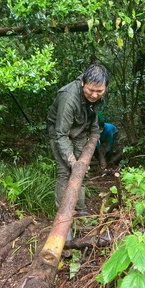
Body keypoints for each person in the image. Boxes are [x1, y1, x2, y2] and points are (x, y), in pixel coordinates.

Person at [47, 62, 109, 216]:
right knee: (65, 173)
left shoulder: (97, 93)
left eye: (99, 91)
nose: (95, 95)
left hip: (80, 131)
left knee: (82, 172)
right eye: (91, 90)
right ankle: (63, 216)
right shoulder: (69, 98)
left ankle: (80, 210)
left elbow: (92, 114)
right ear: (83, 83)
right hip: (59, 133)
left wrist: (95, 134)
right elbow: (61, 134)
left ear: (105, 87)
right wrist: (73, 162)